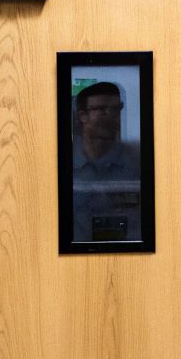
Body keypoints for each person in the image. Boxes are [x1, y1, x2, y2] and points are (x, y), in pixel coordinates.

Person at [70, 81, 143, 242]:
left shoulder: (137, 162)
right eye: (102, 109)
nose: (111, 116)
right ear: (83, 116)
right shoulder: (65, 162)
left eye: (116, 109)